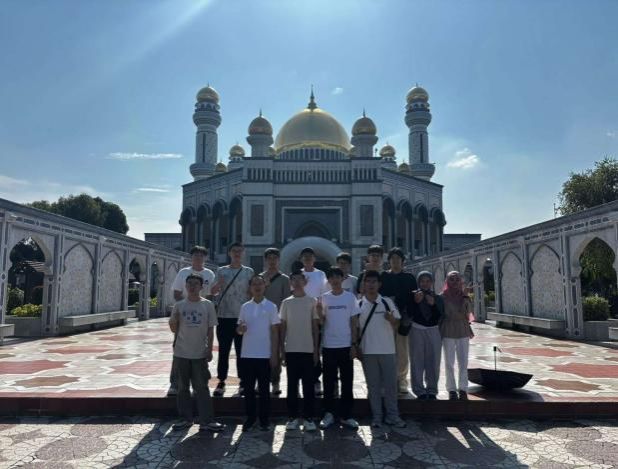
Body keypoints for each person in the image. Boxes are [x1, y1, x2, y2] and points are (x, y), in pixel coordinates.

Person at [168, 274, 224, 432]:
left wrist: (209, 349)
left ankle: (207, 420)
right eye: (189, 284)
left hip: (199, 353)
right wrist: (173, 321)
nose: (192, 287)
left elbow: (210, 330)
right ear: (186, 286)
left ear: (201, 287)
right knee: (182, 388)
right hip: (181, 353)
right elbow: (173, 329)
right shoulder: (179, 306)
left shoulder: (207, 305)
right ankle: (185, 419)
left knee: (201, 388)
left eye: (195, 284)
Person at [357, 270, 406, 429]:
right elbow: (355, 329)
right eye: (368, 281)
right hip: (368, 351)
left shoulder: (387, 302)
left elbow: (397, 324)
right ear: (363, 284)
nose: (371, 285)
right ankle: (377, 417)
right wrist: (356, 347)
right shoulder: (358, 305)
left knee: (391, 386)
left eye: (374, 281)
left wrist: (392, 320)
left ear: (379, 284)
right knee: (373, 386)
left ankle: (393, 416)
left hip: (387, 350)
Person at [168, 245, 216, 397]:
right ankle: (175, 383)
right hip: (184, 316)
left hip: (201, 314)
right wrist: (185, 307)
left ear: (205, 258)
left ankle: (199, 383)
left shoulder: (209, 274)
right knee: (179, 347)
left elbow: (211, 294)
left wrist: (201, 306)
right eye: (195, 255)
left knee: (200, 348)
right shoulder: (184, 272)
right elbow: (177, 293)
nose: (198, 258)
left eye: (201, 256)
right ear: (191, 257)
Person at [318, 267, 360, 430]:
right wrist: (319, 313)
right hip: (329, 345)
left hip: (346, 345)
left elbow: (354, 322)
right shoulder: (324, 298)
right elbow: (321, 322)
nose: (335, 280)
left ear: (343, 279)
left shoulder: (350, 298)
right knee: (328, 381)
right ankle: (328, 413)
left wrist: (354, 344)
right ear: (328, 280)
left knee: (347, 381)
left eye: (338, 277)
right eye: (332, 277)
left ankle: (346, 415)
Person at [237, 275, 280, 431]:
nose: (257, 286)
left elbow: (275, 332)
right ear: (250, 287)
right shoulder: (245, 307)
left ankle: (264, 419)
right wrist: (240, 330)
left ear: (264, 286)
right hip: (247, 354)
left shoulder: (271, 306)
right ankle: (250, 418)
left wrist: (274, 354)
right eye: (254, 284)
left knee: (264, 390)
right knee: (248, 390)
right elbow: (239, 329)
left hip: (264, 355)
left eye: (260, 284)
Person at [279, 271, 319, 432]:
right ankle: (292, 417)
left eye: (299, 279)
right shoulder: (286, 303)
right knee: (292, 385)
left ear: (305, 281)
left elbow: (315, 328)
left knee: (309, 386)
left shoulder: (312, 301)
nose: (296, 282)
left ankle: (309, 417)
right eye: (293, 279)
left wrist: (316, 350)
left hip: (308, 349)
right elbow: (283, 327)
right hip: (291, 349)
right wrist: (282, 349)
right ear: (290, 282)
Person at [213, 243, 254, 397]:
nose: (237, 253)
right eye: (234, 251)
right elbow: (213, 292)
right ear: (229, 253)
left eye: (239, 251)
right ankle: (221, 381)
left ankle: (243, 382)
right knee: (223, 351)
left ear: (243, 253)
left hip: (242, 318)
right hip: (224, 317)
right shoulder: (221, 271)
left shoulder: (248, 272)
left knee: (241, 351)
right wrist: (218, 285)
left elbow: (252, 293)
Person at [380, 247, 418, 395]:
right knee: (385, 351)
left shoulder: (409, 278)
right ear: (389, 261)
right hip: (386, 320)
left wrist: (408, 316)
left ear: (403, 261)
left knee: (402, 352)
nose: (395, 261)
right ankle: (387, 381)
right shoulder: (384, 277)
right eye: (392, 258)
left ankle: (402, 381)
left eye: (398, 259)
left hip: (403, 320)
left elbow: (414, 299)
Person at [408, 271, 444, 400]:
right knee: (417, 360)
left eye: (428, 281)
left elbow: (440, 315)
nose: (425, 284)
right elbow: (409, 313)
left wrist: (433, 305)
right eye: (422, 281)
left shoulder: (437, 297)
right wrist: (415, 302)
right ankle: (419, 390)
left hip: (433, 330)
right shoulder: (412, 295)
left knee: (433, 361)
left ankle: (432, 390)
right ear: (418, 282)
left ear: (432, 282)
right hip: (416, 329)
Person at [440, 271, 474, 400]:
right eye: (451, 279)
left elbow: (469, 313)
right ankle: (451, 389)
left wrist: (465, 297)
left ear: (461, 282)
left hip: (462, 329)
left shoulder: (464, 296)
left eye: (457, 279)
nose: (454, 282)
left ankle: (463, 389)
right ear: (447, 281)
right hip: (448, 329)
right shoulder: (442, 297)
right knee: (449, 362)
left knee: (463, 362)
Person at [299, 247, 329, 396]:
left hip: (316, 315)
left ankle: (316, 379)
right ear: (301, 259)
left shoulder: (320, 274)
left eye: (310, 256)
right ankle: (302, 379)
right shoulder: (298, 274)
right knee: (302, 348)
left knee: (316, 348)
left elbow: (324, 294)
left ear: (314, 259)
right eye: (305, 256)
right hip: (300, 316)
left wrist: (321, 313)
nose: (307, 258)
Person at [261, 247, 290, 396]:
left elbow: (286, 301)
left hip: (277, 320)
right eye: (269, 258)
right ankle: (262, 381)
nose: (272, 261)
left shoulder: (284, 279)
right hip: (261, 320)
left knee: (276, 351)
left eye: (275, 258)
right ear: (265, 260)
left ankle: (275, 381)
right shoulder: (259, 278)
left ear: (279, 260)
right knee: (262, 351)